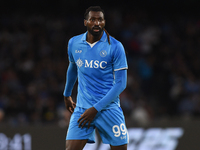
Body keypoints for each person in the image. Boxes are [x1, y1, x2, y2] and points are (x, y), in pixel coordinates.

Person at [63, 6, 129, 150]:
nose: (97, 23)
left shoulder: (115, 47)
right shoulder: (74, 43)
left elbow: (121, 83)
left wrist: (95, 109)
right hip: (82, 108)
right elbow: (73, 68)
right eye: (93, 19)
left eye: (100, 20)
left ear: (104, 22)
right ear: (85, 22)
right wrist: (67, 94)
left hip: (108, 109)